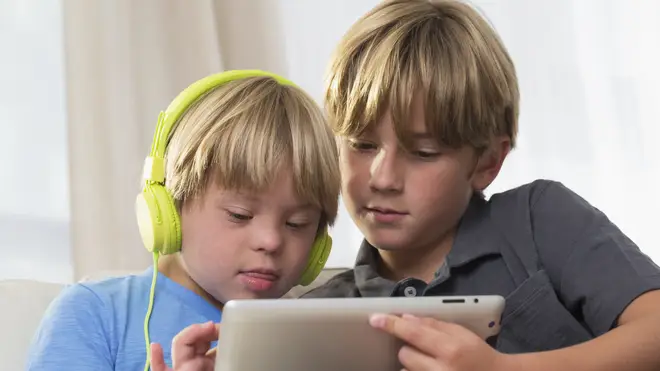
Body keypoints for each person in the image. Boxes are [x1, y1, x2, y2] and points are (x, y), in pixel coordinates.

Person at [299, 0, 660, 370]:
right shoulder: (311, 320)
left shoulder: (539, 221)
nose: (383, 178)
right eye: (362, 145)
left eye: (423, 153)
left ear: (488, 161)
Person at [25, 70, 340, 371]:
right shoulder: (95, 314)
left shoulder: (317, 338)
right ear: (170, 206)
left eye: (297, 223)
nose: (271, 241)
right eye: (239, 215)